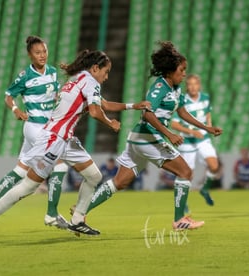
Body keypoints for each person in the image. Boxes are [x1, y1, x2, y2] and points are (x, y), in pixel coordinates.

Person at [0, 49, 151, 238]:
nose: (107, 77)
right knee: (29, 184)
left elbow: (104, 104)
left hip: (65, 139)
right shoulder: (90, 82)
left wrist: (133, 106)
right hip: (53, 139)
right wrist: (110, 123)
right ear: (94, 68)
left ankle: (78, 220)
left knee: (93, 175)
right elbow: (95, 111)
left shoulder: (79, 78)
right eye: (105, 72)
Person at [81, 41, 222, 231]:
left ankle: (80, 212)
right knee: (185, 172)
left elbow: (182, 112)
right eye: (182, 70)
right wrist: (169, 134)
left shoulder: (176, 88)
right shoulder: (160, 87)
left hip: (139, 139)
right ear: (170, 71)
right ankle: (179, 220)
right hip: (148, 137)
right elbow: (147, 113)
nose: (184, 74)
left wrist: (206, 127)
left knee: (120, 181)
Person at [0, 36, 69, 229]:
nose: (42, 55)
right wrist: (16, 110)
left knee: (20, 169)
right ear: (30, 55)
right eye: (37, 52)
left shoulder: (52, 72)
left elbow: (56, 96)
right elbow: (8, 96)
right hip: (36, 128)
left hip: (47, 127)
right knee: (59, 165)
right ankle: (51, 214)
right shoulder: (25, 76)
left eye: (44, 51)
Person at [171, 74, 220, 205]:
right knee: (187, 175)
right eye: (190, 84)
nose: (192, 87)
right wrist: (192, 131)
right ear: (186, 87)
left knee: (214, 166)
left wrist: (209, 126)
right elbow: (174, 124)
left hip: (203, 139)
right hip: (188, 142)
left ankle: (204, 189)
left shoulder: (205, 98)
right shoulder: (182, 101)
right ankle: (183, 203)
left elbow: (208, 113)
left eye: (195, 84)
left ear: (199, 85)